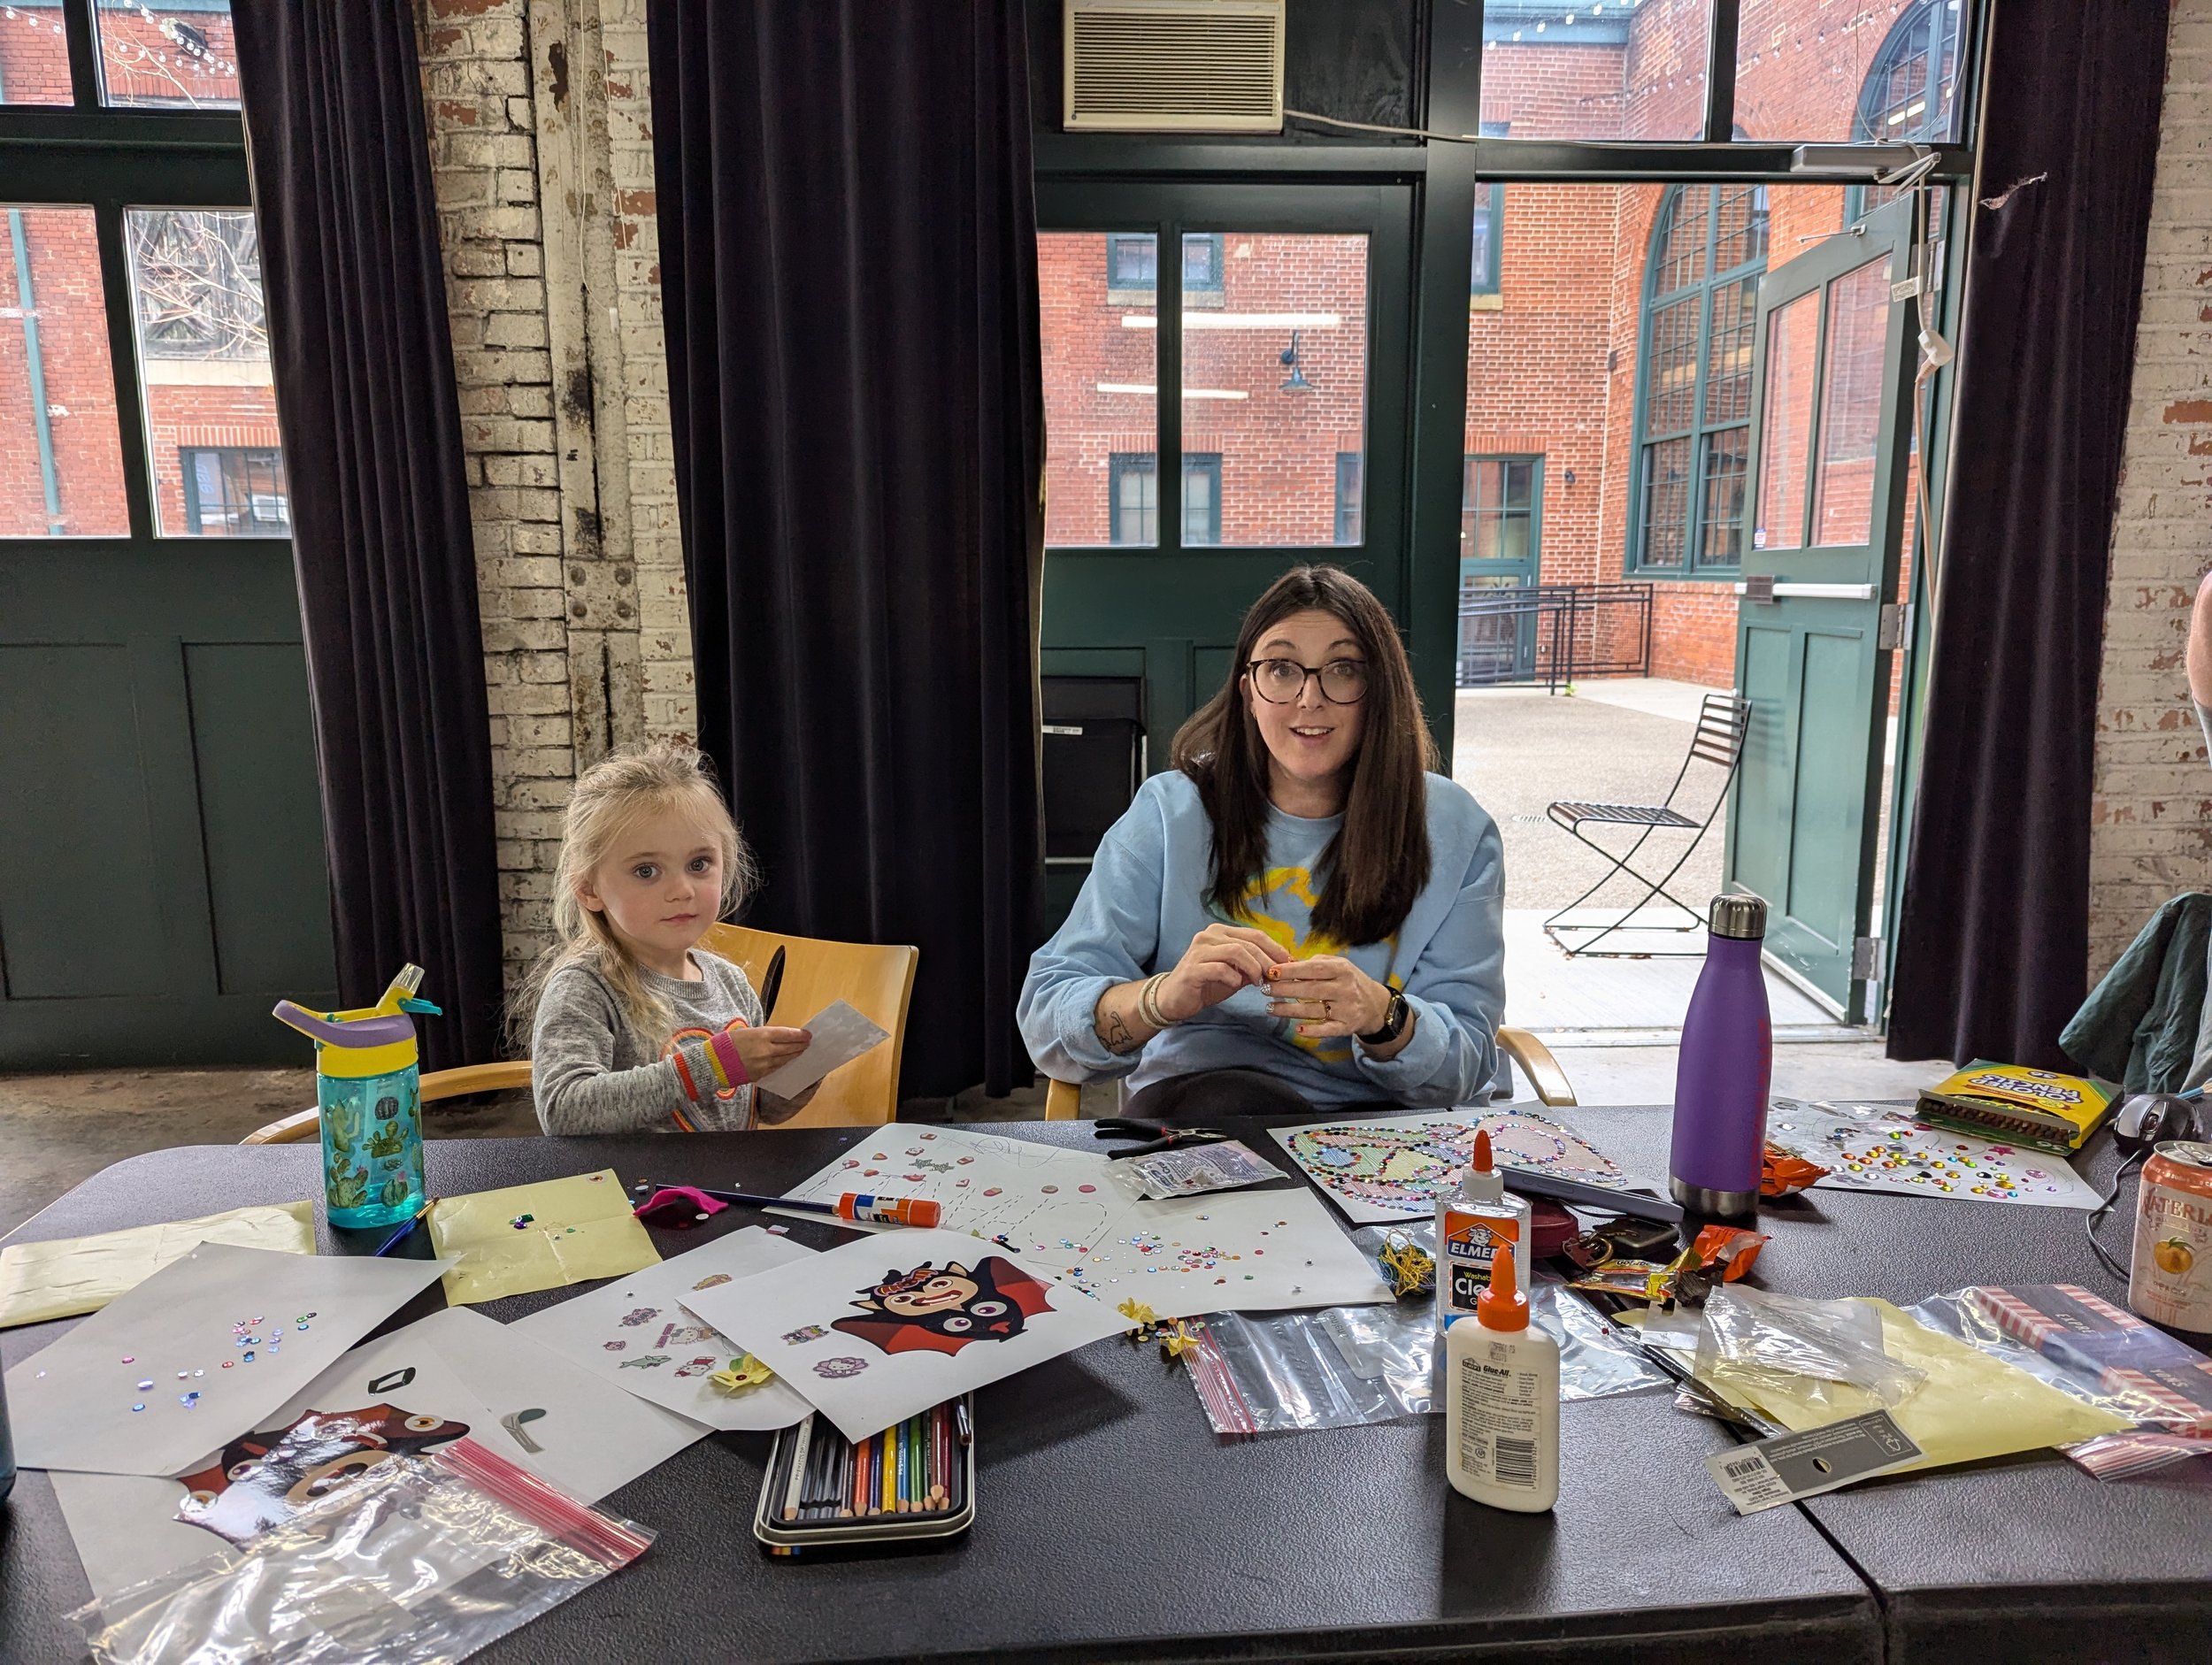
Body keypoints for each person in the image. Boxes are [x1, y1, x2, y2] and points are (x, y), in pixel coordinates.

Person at [1018, 564, 1505, 1119]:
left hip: (1382, 1137)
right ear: (1249, 689)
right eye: (1280, 669)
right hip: (1206, 1113)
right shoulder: (1169, 814)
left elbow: (1470, 1061)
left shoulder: (1454, 829)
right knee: (1232, 1102)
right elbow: (1046, 1020)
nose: (1309, 698)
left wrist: (1382, 1015)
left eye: (1343, 670)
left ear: (1379, 691)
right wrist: (1161, 999)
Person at [518, 742, 816, 1134]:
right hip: (634, 1193)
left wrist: (802, 1073)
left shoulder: (730, 982)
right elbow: (564, 1110)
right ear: (590, 890)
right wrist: (709, 1067)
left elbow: (757, 1109)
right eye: (646, 871)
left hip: (725, 1188)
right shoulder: (585, 987)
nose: (682, 890)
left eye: (699, 864)